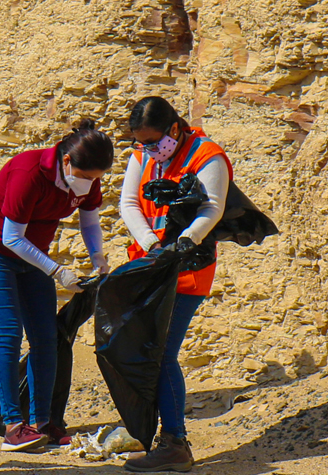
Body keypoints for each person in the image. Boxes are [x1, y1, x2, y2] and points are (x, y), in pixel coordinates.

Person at [0, 120, 115, 452]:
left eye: (96, 179)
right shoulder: (28, 172)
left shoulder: (86, 180)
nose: (90, 184)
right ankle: (12, 426)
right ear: (65, 161)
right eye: (86, 176)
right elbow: (11, 238)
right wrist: (57, 272)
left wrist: (98, 257)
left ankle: (42, 421)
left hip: (32, 259)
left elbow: (89, 221)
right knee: (8, 332)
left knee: (46, 337)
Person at [117, 97, 230, 473]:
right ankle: (156, 435)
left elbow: (211, 208)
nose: (148, 149)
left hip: (186, 268)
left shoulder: (206, 156)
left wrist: (183, 243)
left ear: (174, 130)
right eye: (141, 143)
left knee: (162, 352)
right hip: (149, 265)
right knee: (147, 350)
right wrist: (152, 246)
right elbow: (129, 204)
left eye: (153, 141)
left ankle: (174, 442)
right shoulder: (144, 154)